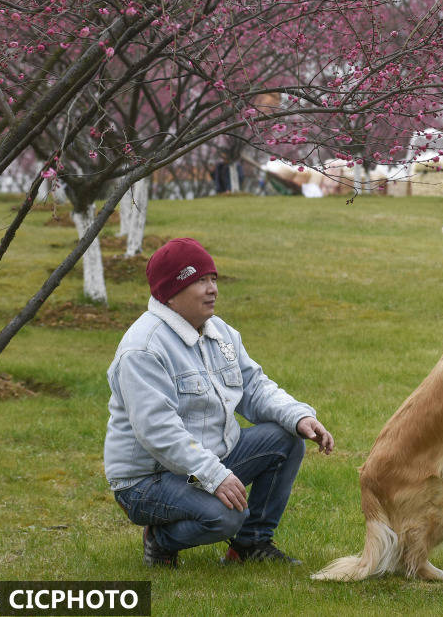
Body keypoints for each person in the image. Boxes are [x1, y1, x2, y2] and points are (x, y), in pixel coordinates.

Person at [104, 237, 334, 567]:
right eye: (199, 280)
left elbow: (253, 387)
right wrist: (215, 476)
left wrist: (298, 417)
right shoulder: (143, 349)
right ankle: (160, 540)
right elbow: (158, 432)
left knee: (287, 438)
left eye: (213, 278)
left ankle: (249, 546)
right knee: (226, 515)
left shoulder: (220, 332)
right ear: (171, 293)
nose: (212, 288)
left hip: (202, 463)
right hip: (147, 481)